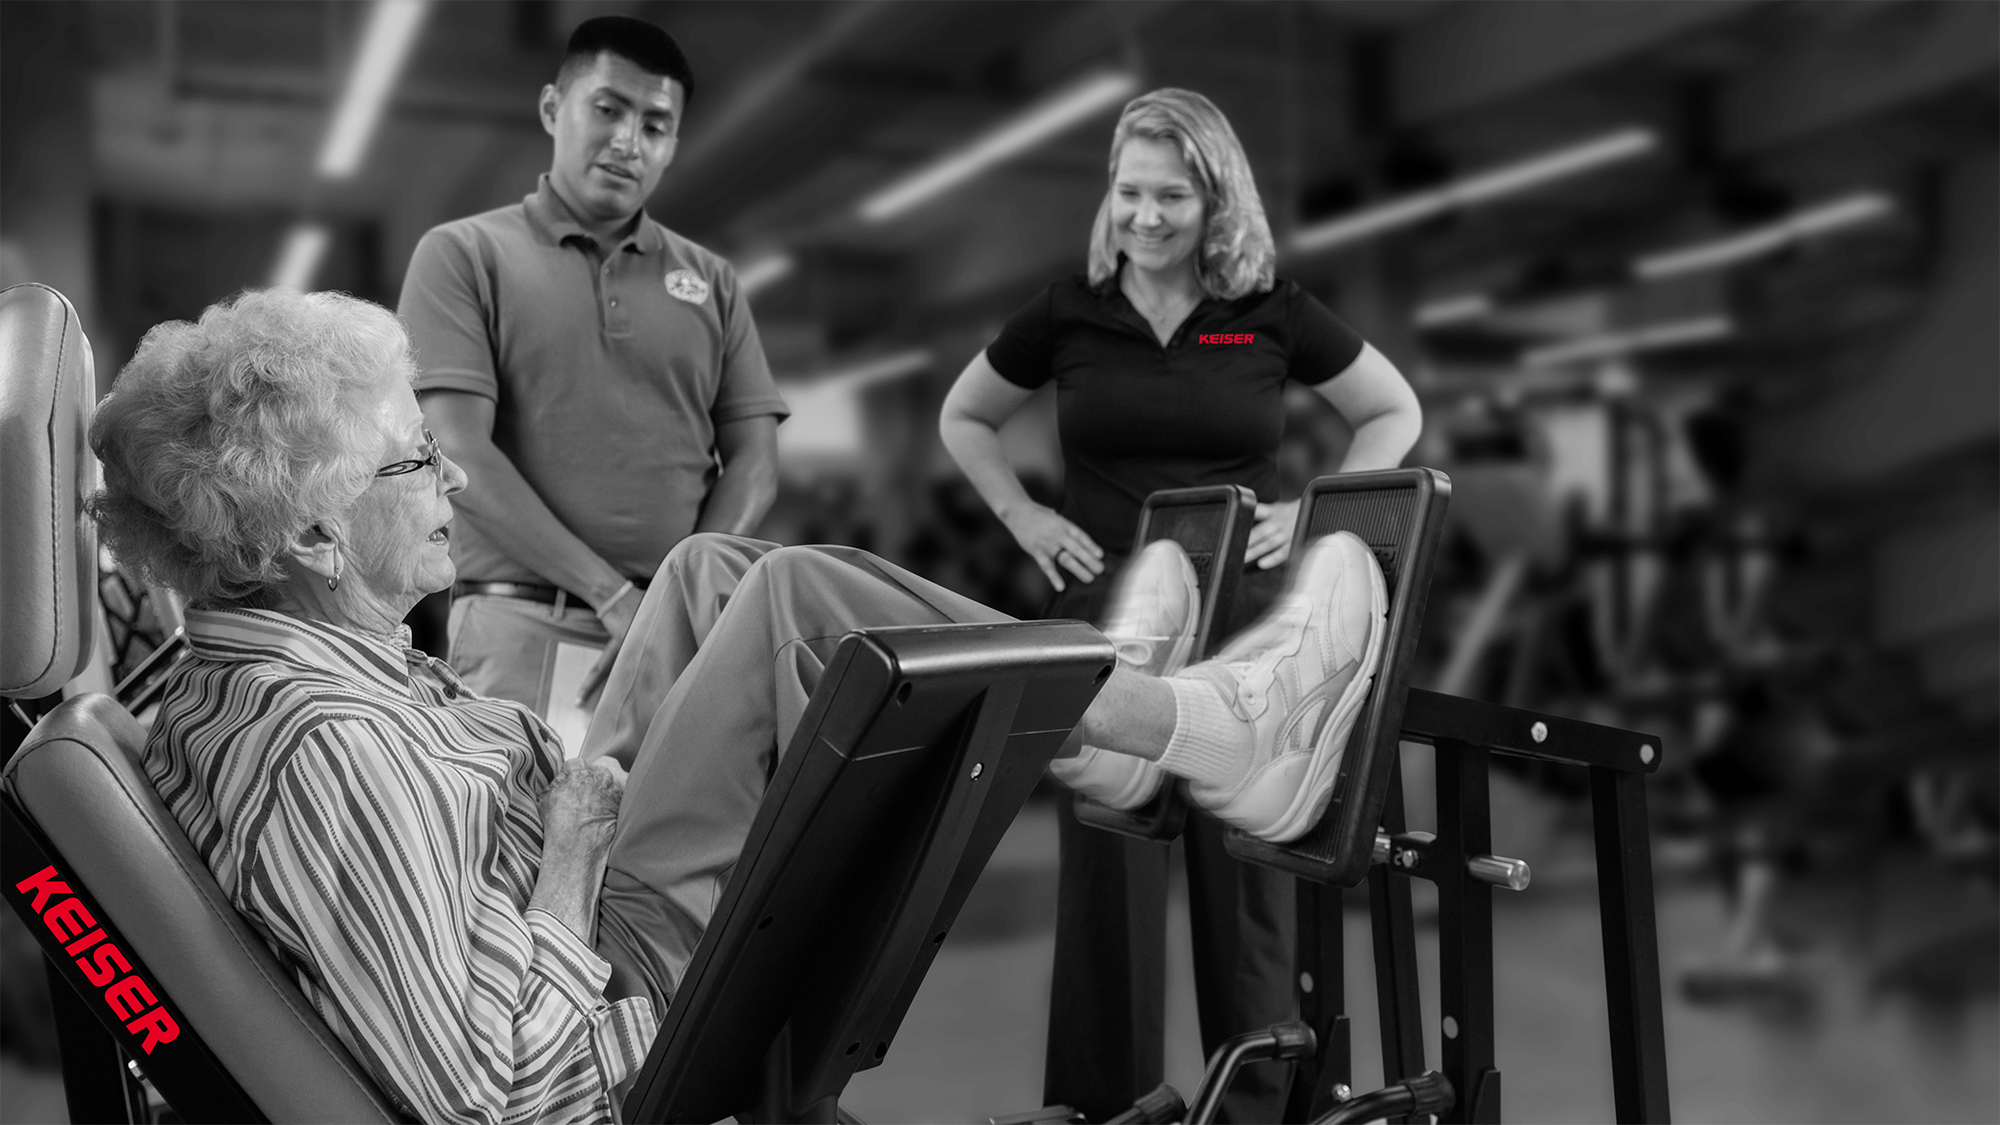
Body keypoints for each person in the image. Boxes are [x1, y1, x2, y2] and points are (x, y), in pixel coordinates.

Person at [88, 288, 1390, 1125]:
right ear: (315, 531)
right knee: (800, 606)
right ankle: (1196, 729)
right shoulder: (322, 751)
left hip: (560, 867)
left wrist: (536, 777)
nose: (452, 484)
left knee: (715, 570)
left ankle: (1098, 727)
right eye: (412, 459)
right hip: (614, 958)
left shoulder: (286, 661)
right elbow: (504, 1087)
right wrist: (577, 839)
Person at [937, 88, 1423, 1124]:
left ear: (1214, 204)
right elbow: (965, 416)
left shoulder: (1268, 313)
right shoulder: (1068, 310)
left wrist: (1310, 511)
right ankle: (1098, 1109)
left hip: (1238, 625)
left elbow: (1391, 409)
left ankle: (1253, 1107)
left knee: (1240, 887)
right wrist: (1022, 519)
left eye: (1171, 195)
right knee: (1106, 877)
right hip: (1104, 620)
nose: (1145, 217)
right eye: (1128, 193)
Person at [398, 15, 787, 716]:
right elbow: (455, 447)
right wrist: (613, 596)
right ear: (553, 107)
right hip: (523, 623)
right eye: (607, 110)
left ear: (671, 145)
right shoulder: (464, 254)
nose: (626, 142)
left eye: (655, 125)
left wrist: (677, 601)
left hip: (682, 635)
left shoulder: (713, 281)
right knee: (526, 826)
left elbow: (755, 455)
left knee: (680, 826)